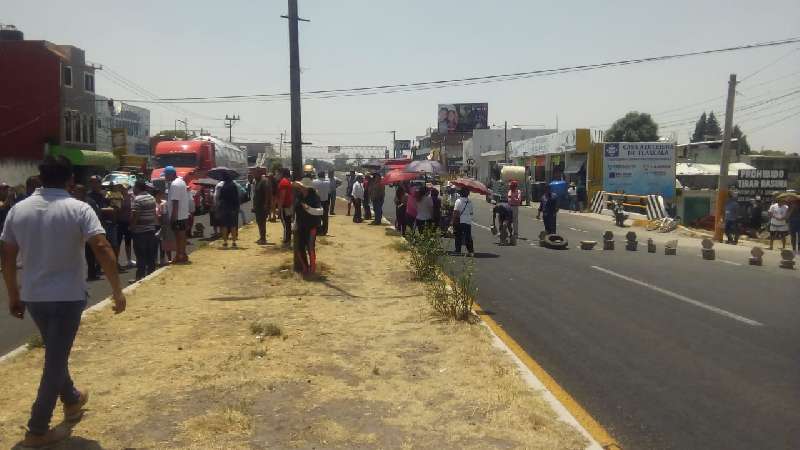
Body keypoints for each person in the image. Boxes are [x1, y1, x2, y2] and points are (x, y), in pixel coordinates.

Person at [1, 156, 126, 447]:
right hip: (67, 295)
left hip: (35, 296)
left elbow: (6, 256)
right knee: (55, 359)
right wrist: (117, 289)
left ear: (40, 177)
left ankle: (71, 399)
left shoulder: (18, 210)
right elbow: (102, 247)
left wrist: (13, 294)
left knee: (56, 352)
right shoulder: (79, 208)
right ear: (70, 180)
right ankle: (37, 428)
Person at [292, 177, 324, 275]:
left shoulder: (314, 197)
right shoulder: (299, 197)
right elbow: (296, 212)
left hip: (311, 225)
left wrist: (308, 208)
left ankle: (312, 268)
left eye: (302, 187)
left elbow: (320, 211)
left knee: (310, 247)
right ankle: (305, 267)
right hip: (301, 225)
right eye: (301, 187)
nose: (301, 188)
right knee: (299, 247)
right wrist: (295, 224)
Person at [71, 184, 102, 281]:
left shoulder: (90, 202)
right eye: (74, 191)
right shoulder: (71, 203)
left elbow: (97, 215)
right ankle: (89, 273)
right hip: (76, 233)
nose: (74, 193)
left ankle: (94, 271)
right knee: (83, 255)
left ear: (82, 192)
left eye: (77, 191)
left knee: (92, 253)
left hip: (88, 231)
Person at [130, 181, 158, 280]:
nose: (133, 189)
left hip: (140, 232)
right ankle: (151, 276)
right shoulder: (152, 197)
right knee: (150, 255)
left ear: (138, 188)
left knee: (140, 256)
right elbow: (154, 213)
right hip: (151, 229)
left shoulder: (137, 199)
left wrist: (132, 226)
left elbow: (135, 215)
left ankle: (139, 277)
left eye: (134, 187)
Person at [164, 166, 191, 263]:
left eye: (166, 176)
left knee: (178, 237)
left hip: (178, 215)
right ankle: (182, 254)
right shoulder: (181, 182)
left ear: (170, 175)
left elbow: (175, 202)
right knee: (182, 236)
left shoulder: (174, 185)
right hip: (183, 214)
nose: (165, 178)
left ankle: (179, 255)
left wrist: (173, 217)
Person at [216, 173, 241, 248]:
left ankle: (225, 242)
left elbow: (219, 198)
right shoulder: (234, 186)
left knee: (224, 225)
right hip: (233, 208)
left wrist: (218, 208)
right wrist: (237, 207)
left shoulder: (222, 187)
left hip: (224, 208)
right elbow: (237, 197)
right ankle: (233, 242)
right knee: (233, 225)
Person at [116, 182, 135, 268]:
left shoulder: (131, 197)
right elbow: (117, 209)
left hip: (128, 221)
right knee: (118, 242)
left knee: (128, 241)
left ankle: (129, 260)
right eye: (122, 188)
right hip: (119, 221)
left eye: (125, 188)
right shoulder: (117, 197)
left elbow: (133, 209)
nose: (124, 189)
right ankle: (116, 260)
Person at [252, 170, 273, 245]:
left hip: (262, 206)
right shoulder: (256, 181)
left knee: (262, 222)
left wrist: (266, 204)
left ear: (259, 174)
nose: (253, 175)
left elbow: (267, 194)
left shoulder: (264, 181)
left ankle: (263, 238)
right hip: (257, 206)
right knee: (259, 222)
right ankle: (261, 237)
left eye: (255, 173)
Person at [155, 189, 175, 265]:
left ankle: (163, 259)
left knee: (163, 243)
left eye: (161, 194)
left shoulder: (164, 203)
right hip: (155, 225)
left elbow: (166, 213)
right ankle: (155, 260)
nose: (160, 196)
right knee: (155, 243)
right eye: (158, 194)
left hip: (163, 225)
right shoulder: (153, 203)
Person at [453, 188, 474, 256]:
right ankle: (470, 251)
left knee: (458, 236)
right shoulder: (470, 201)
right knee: (468, 237)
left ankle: (458, 250)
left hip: (459, 221)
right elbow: (471, 213)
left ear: (460, 193)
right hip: (468, 221)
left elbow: (455, 212)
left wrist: (453, 220)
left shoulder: (458, 201)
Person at [277, 168, 294, 245]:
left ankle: (287, 240)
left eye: (278, 173)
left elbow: (282, 196)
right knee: (288, 223)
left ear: (282, 173)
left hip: (285, 206)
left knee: (285, 223)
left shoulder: (283, 182)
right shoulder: (288, 182)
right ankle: (288, 239)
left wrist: (279, 208)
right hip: (289, 205)